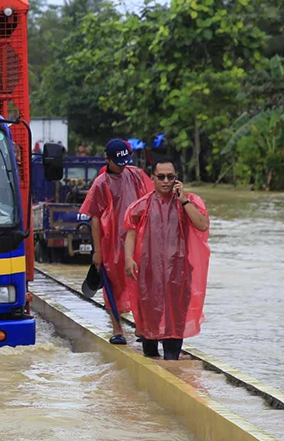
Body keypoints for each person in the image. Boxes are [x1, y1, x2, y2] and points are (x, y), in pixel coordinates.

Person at [123, 158, 210, 359]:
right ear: (152, 178)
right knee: (148, 320)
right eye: (161, 177)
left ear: (176, 179)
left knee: (175, 320)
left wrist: (184, 200)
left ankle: (172, 362)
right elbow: (131, 232)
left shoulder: (190, 202)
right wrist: (128, 258)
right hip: (148, 272)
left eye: (170, 177)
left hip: (179, 272)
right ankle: (151, 361)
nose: (165, 181)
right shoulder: (141, 206)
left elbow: (202, 225)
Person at [78, 138, 155, 344]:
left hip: (136, 238)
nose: (122, 167)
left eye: (125, 162)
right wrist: (97, 251)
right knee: (112, 283)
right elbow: (94, 216)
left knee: (139, 282)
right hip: (111, 241)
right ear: (108, 160)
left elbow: (150, 199)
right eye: (117, 163)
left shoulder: (136, 175)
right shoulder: (101, 183)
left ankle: (141, 327)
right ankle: (117, 329)